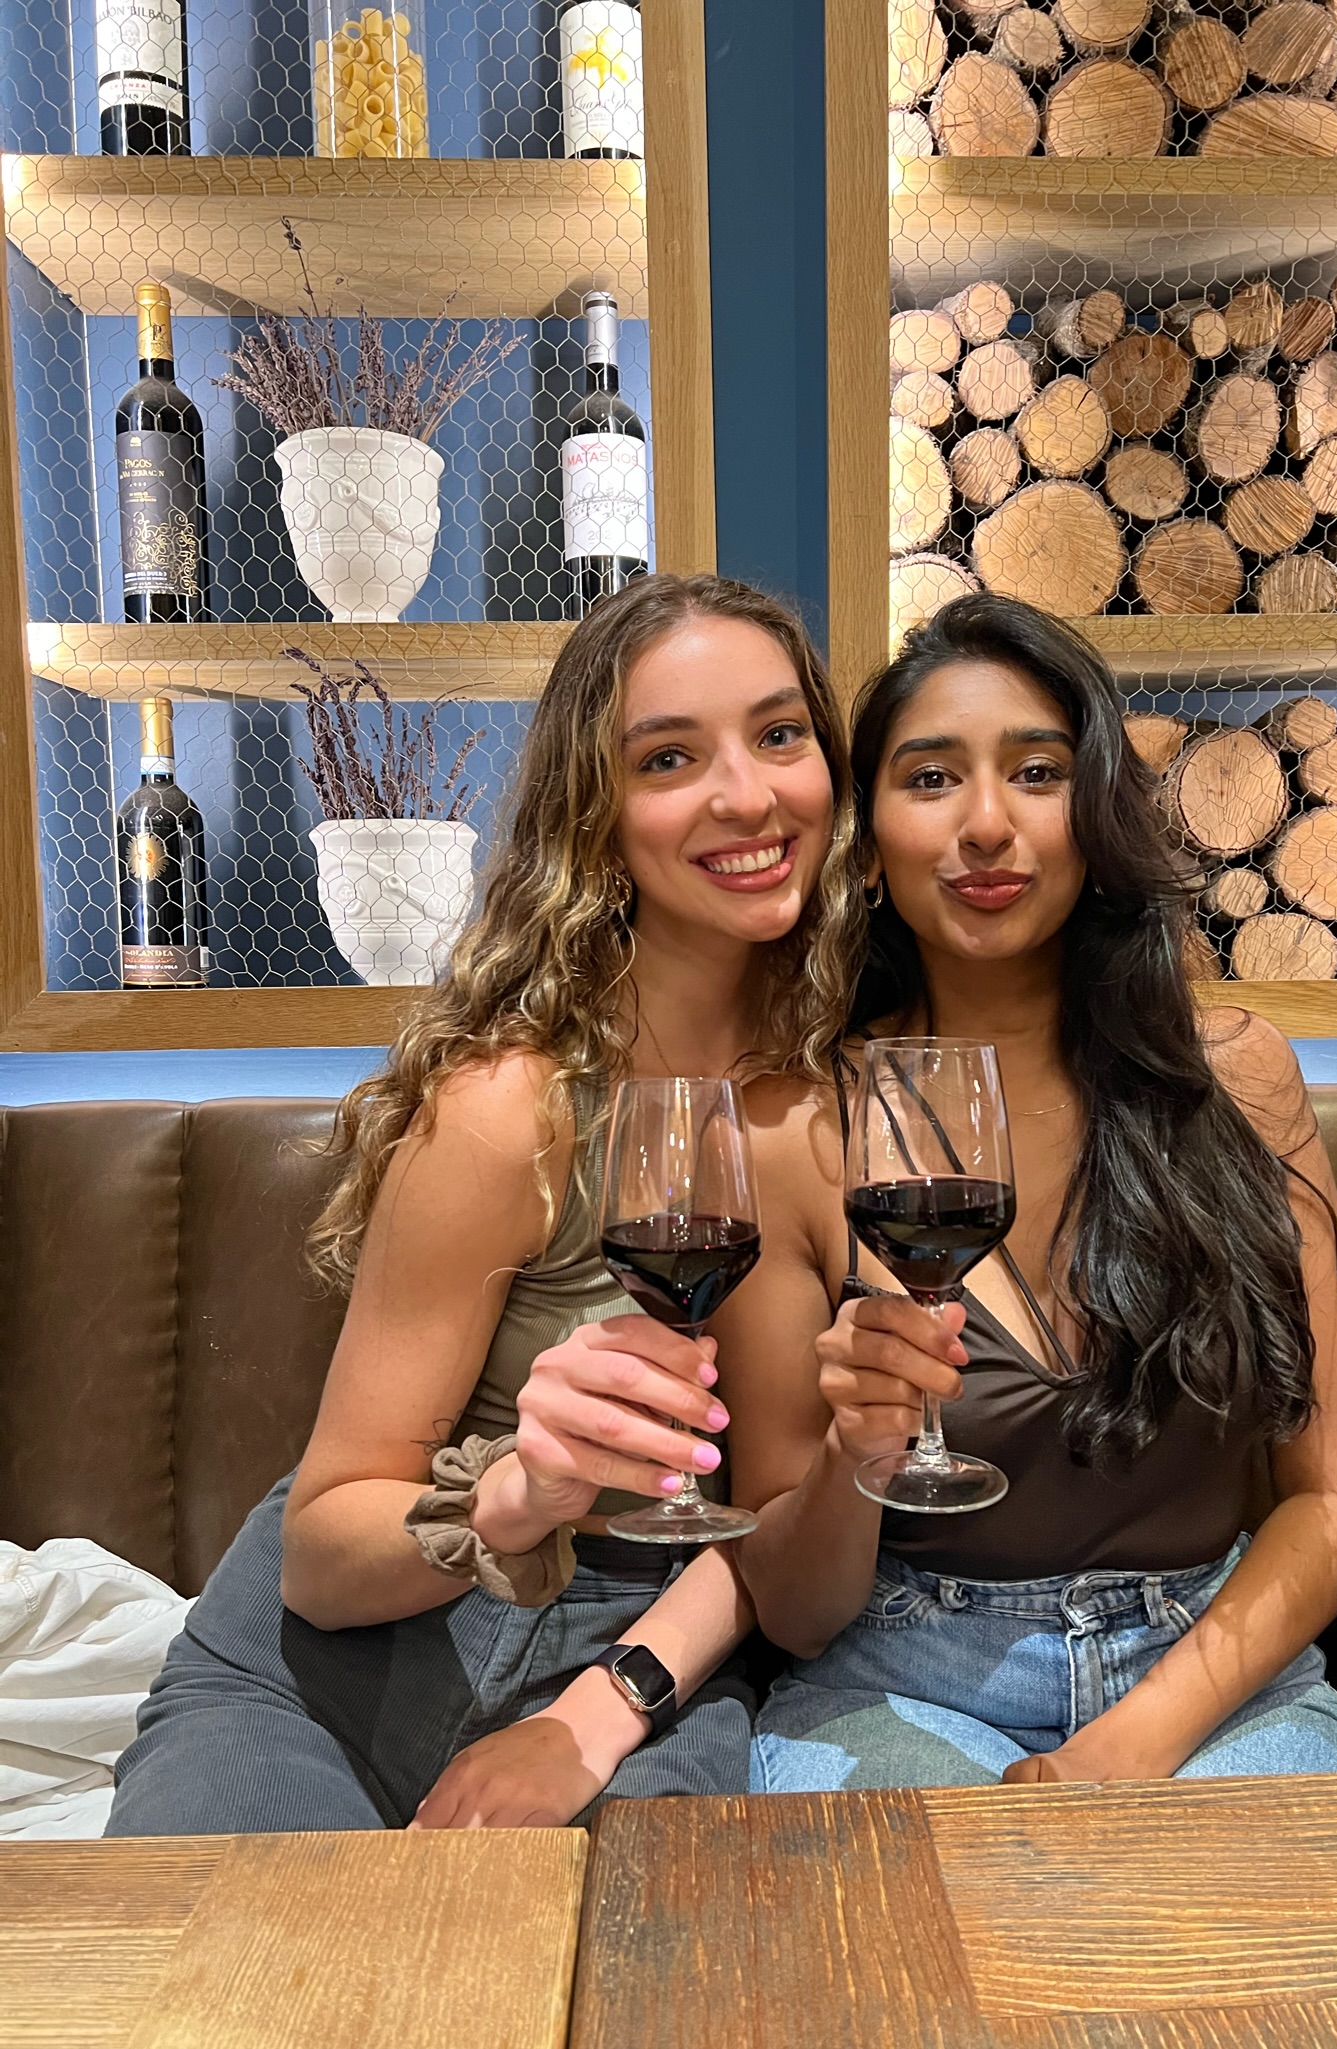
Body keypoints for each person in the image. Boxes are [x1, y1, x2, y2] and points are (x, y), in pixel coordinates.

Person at [107, 572, 859, 1834]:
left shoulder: (833, 1095)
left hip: (645, 1655)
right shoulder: (513, 1108)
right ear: (594, 813)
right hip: (332, 1675)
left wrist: (604, 1706)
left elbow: (775, 1524)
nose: (747, 794)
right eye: (669, 758)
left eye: (780, 734)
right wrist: (519, 1493)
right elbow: (322, 1556)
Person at [717, 592, 1337, 1790]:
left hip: (1212, 1671)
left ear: (1095, 814)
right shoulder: (792, 1131)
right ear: (867, 845)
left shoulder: (1237, 1079)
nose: (987, 824)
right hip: (900, 1675)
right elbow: (797, 1613)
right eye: (931, 779)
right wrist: (854, 1457)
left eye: (1037, 772)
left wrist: (1126, 1749)